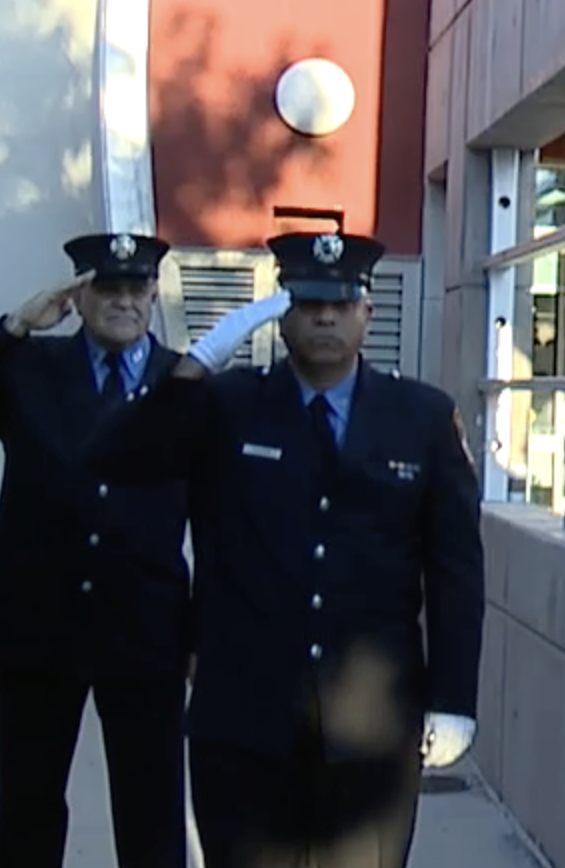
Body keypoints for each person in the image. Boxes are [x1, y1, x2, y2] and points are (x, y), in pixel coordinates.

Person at [91, 230, 484, 865]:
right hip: (244, 724)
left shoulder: (422, 417)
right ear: (281, 314)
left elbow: (455, 569)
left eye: (341, 303)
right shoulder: (227, 404)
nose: (325, 317)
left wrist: (454, 698)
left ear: (367, 313)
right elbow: (117, 457)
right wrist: (194, 366)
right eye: (307, 303)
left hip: (371, 728)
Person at [0, 235, 192, 868]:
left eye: (137, 288)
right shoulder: (31, 367)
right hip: (38, 629)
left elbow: (221, 513)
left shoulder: (184, 384)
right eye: (107, 288)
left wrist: (202, 631)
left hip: (146, 632)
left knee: (151, 814)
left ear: (154, 295)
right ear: (77, 297)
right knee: (23, 808)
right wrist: (15, 325)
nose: (123, 301)